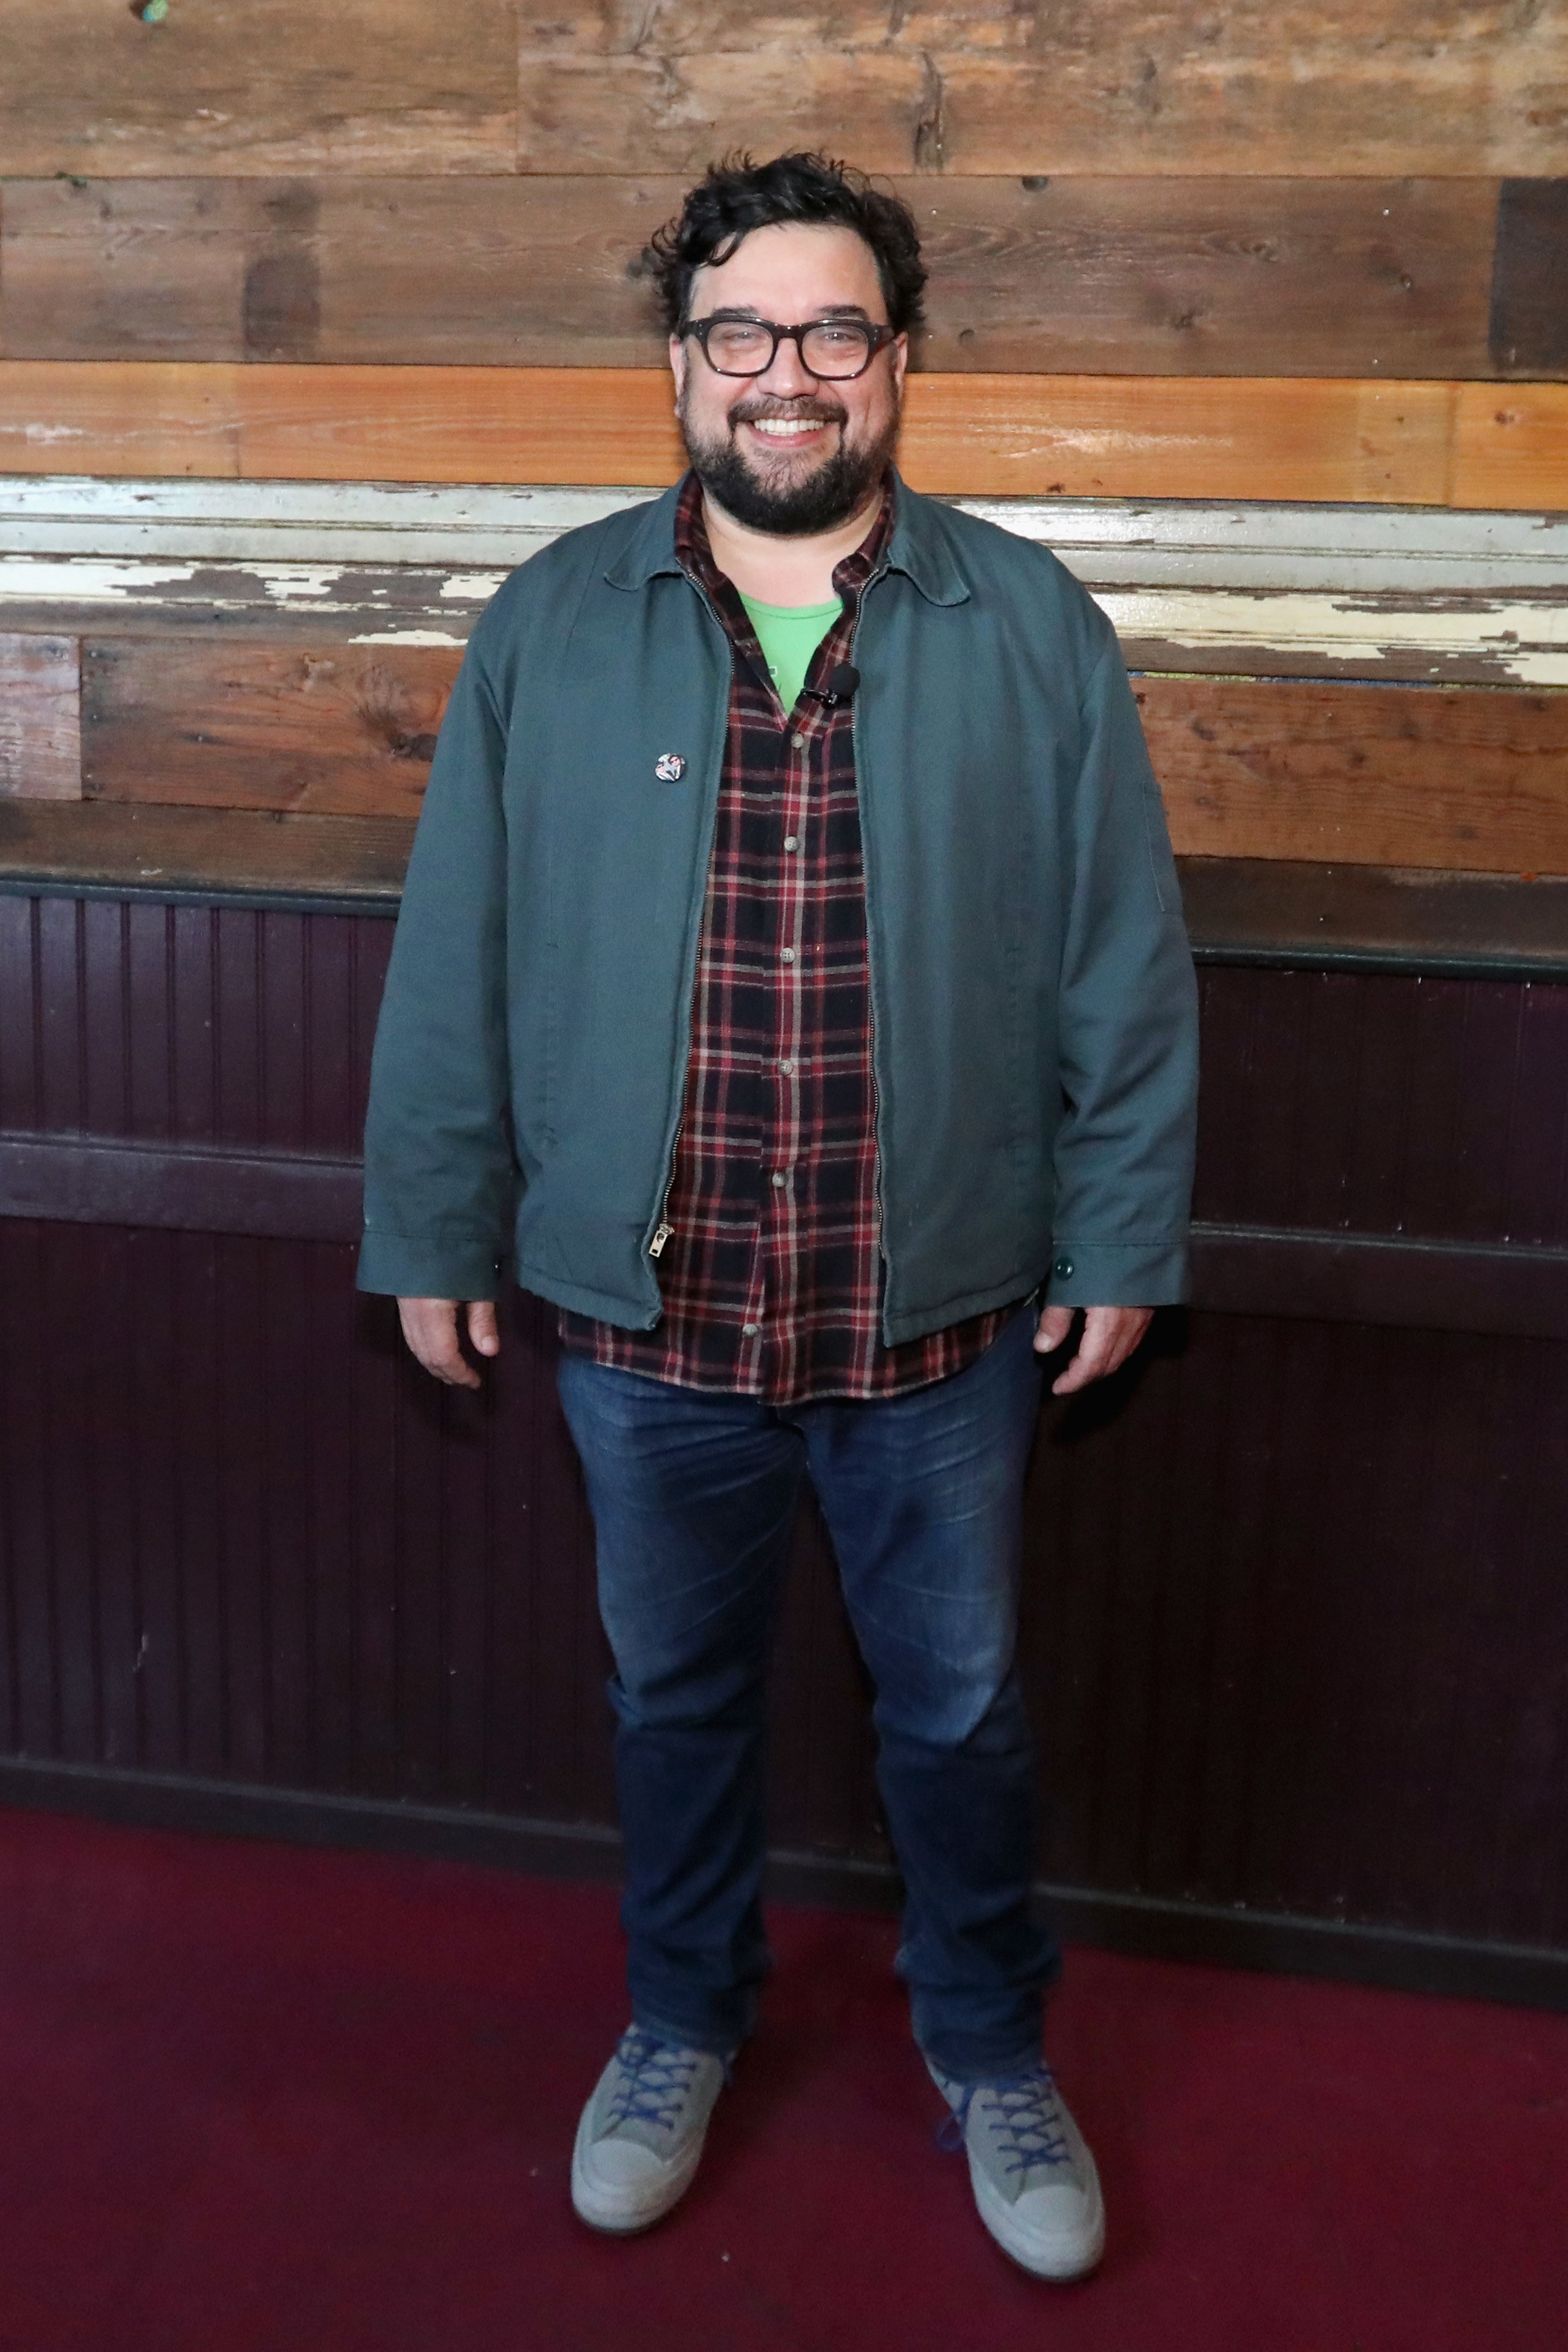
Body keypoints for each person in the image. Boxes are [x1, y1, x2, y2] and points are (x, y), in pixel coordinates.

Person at [358, 152, 1198, 2281]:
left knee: (965, 1711)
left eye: (836, 332)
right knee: (673, 1705)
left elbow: (1122, 965)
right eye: (746, 332)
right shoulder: (556, 622)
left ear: (896, 365)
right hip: (649, 1333)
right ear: (682, 369)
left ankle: (993, 2043)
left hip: (937, 1326)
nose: (789, 375)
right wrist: (434, 1225)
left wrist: (1123, 1234)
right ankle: (678, 2016)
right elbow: (455, 951)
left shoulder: (1030, 625)